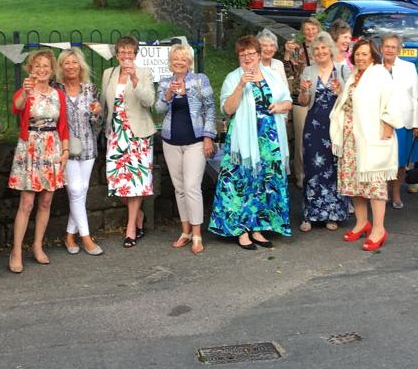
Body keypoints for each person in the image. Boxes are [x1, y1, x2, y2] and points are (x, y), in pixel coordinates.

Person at [209, 36, 293, 249]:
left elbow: (288, 101)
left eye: (251, 53)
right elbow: (227, 110)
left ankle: (258, 228)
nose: (247, 58)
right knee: (241, 182)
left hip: (269, 140)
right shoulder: (233, 78)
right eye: (243, 54)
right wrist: (240, 85)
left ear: (258, 54)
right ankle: (241, 230)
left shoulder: (272, 76)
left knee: (264, 182)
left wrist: (280, 107)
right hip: (243, 141)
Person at [330, 39, 401, 250]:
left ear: (373, 56)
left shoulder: (380, 74)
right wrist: (340, 93)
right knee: (355, 184)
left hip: (372, 137)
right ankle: (362, 223)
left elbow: (393, 101)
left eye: (364, 54)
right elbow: (352, 103)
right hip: (351, 138)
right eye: (357, 54)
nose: (360, 57)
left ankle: (379, 229)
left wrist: (388, 126)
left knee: (375, 183)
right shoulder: (354, 75)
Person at [9, 50, 69, 269]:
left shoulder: (58, 94)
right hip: (31, 147)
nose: (42, 70)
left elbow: (63, 125)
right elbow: (16, 107)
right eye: (37, 66)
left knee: (46, 202)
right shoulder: (26, 90)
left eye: (46, 66)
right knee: (27, 203)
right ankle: (16, 251)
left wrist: (65, 150)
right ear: (30, 69)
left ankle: (37, 245)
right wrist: (26, 93)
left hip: (52, 148)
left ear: (52, 70)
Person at [155, 44, 217, 254]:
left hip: (195, 141)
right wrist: (169, 94)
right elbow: (158, 109)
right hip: (171, 141)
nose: (179, 62)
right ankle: (185, 231)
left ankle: (197, 234)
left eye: (183, 59)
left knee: (192, 187)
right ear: (170, 62)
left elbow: (210, 109)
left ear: (189, 62)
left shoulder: (200, 80)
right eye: (175, 59)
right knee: (180, 188)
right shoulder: (165, 82)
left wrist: (208, 137)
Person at [101, 36, 156, 247]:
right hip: (116, 134)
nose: (126, 56)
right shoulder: (109, 73)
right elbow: (104, 103)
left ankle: (131, 228)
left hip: (138, 135)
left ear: (135, 54)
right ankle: (139, 214)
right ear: (117, 55)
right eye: (122, 52)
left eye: (130, 52)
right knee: (116, 181)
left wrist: (135, 79)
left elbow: (149, 101)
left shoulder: (144, 72)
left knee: (136, 182)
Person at [297, 32, 349, 231]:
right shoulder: (308, 71)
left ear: (330, 49)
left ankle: (332, 214)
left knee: (333, 167)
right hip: (313, 127)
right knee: (312, 168)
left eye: (324, 48)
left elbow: (350, 100)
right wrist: (304, 91)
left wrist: (340, 92)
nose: (320, 51)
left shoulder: (342, 70)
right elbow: (303, 102)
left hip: (335, 126)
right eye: (316, 48)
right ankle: (309, 215)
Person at [56, 48, 104, 256]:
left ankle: (69, 235)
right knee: (75, 191)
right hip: (65, 147)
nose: (71, 66)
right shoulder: (56, 89)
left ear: (80, 65)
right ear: (61, 67)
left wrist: (97, 113)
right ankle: (86, 238)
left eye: (74, 62)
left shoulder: (90, 88)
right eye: (66, 63)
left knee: (81, 190)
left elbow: (97, 122)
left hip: (87, 145)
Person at [377, 33, 418, 209]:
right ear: (381, 48)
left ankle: (396, 194)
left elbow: (416, 96)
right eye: (386, 46)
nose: (390, 50)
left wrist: (417, 123)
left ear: (399, 49)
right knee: (381, 160)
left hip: (404, 121)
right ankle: (381, 193)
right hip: (381, 122)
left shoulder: (408, 67)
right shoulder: (374, 68)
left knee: (400, 162)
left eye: (393, 47)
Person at [284, 17, 322, 188]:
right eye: (307, 29)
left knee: (320, 137)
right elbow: (288, 71)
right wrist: (286, 53)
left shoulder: (324, 48)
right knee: (301, 138)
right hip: (301, 98)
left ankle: (318, 171)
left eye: (313, 29)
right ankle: (300, 174)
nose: (310, 32)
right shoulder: (297, 49)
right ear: (302, 31)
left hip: (321, 98)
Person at [257, 29, 290, 99]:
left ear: (275, 48)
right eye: (264, 45)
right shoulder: (252, 65)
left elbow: (285, 89)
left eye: (272, 45)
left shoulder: (279, 64)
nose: (269, 49)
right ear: (258, 48)